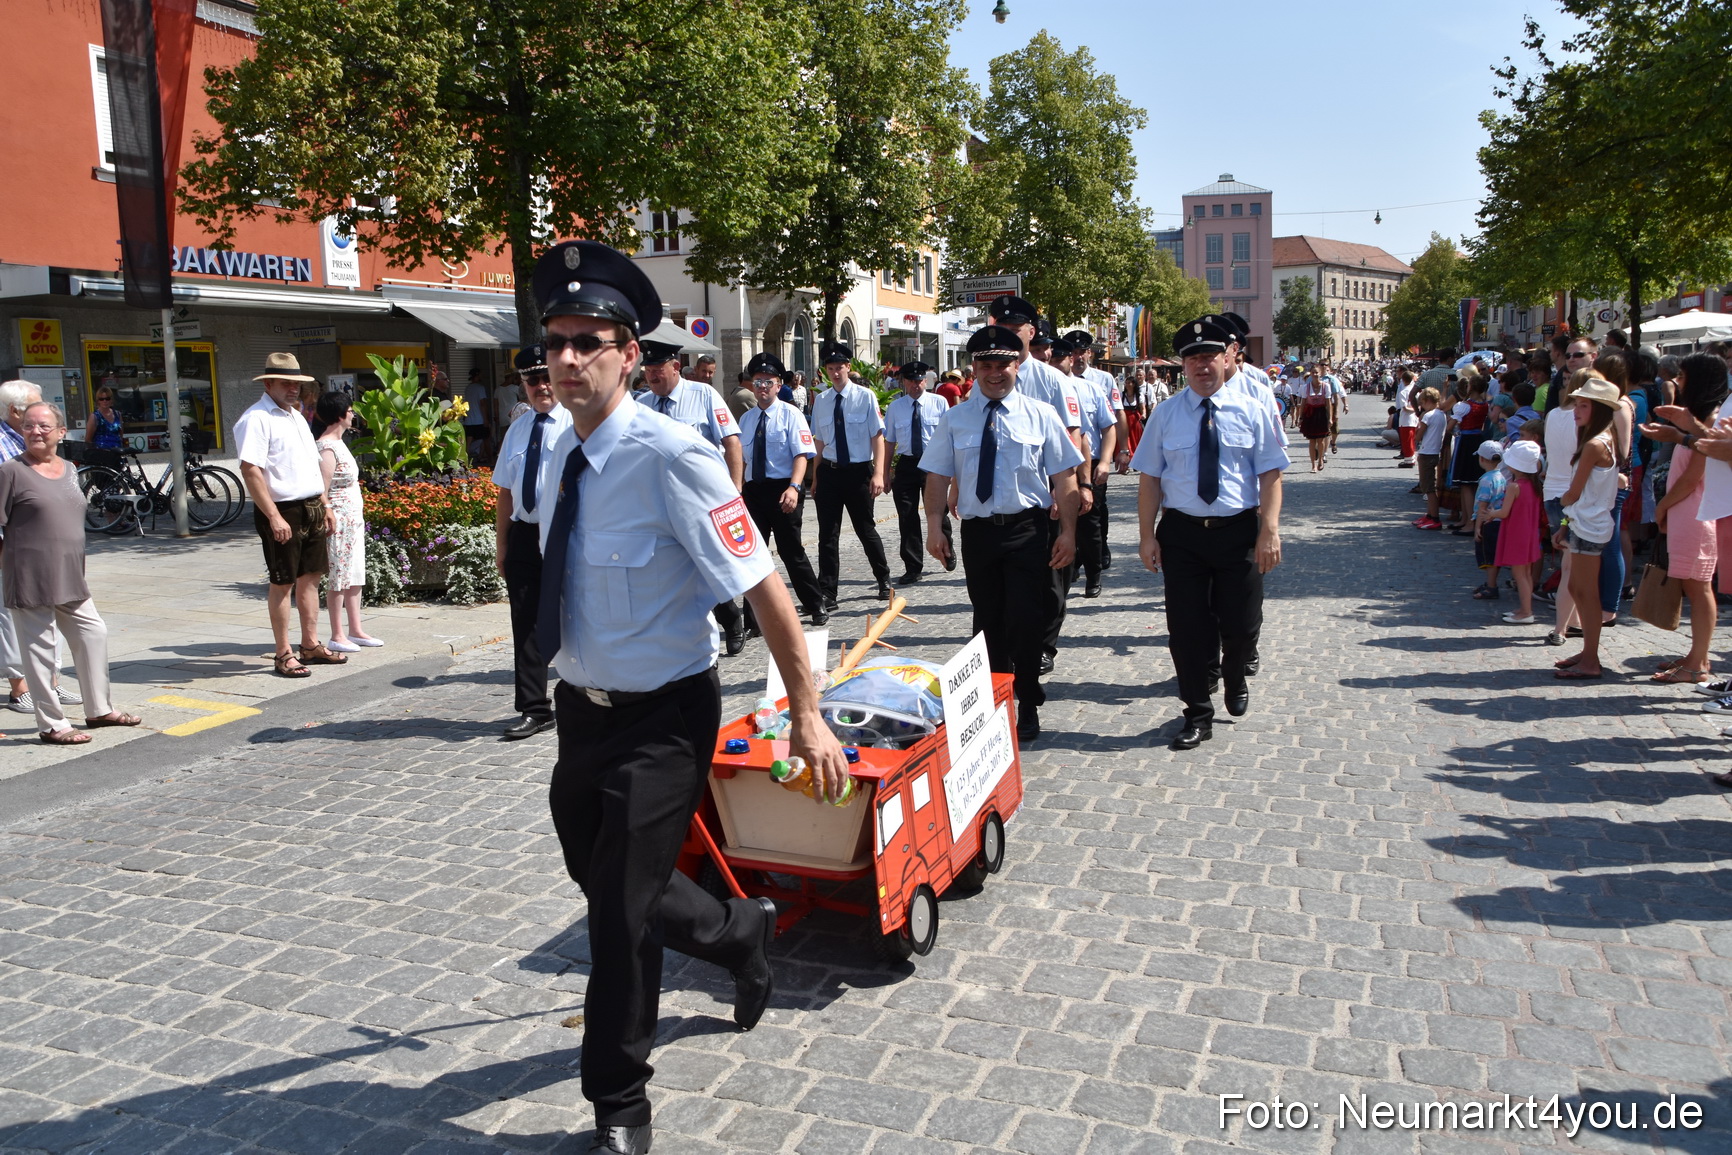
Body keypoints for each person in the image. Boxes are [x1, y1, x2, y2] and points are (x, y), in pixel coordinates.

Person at [526, 241, 847, 1155]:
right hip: (582, 712)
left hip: (665, 715)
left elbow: (763, 584)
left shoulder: (674, 455)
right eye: (555, 341)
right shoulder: (558, 448)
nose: (568, 358)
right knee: (603, 875)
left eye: (589, 341)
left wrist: (807, 709)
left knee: (618, 914)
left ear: (632, 352)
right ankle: (742, 930)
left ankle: (619, 1102)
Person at [917, 325, 1083, 743]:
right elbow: (937, 475)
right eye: (986, 365)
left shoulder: (1041, 414)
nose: (995, 373)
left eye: (1003, 364)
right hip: (978, 534)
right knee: (986, 621)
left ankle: (1028, 702)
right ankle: (995, 699)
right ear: (974, 367)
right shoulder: (955, 419)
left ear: (1017, 365)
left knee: (1027, 620)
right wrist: (934, 526)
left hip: (1027, 531)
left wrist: (1068, 532)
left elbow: (1064, 478)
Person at [1136, 316, 1289, 751]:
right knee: (1186, 629)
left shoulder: (1255, 409)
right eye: (1192, 359)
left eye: (1209, 357)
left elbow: (1271, 474)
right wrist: (1147, 536)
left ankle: (1235, 673)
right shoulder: (1165, 414)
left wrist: (1269, 531)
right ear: (1182, 366)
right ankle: (1197, 712)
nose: (1202, 366)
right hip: (1182, 534)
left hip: (1239, 531)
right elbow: (1150, 479)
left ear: (1227, 358)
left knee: (1240, 626)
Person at [0, 401, 141, 744]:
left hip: (70, 575)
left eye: (44, 426)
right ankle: (52, 724)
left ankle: (98, 710)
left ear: (61, 433)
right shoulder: (11, 471)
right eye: (29, 426)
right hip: (30, 576)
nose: (35, 431)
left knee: (92, 633)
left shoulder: (67, 468)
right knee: (40, 652)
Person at [233, 352, 344, 679]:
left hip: (310, 505)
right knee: (282, 581)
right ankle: (283, 654)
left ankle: (309, 645)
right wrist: (273, 516)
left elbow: (311, 465)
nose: (293, 389)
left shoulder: (295, 416)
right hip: (282, 509)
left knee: (310, 577)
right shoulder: (256, 419)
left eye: (297, 383)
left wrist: (324, 504)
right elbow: (251, 471)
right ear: (268, 383)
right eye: (286, 383)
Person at [636, 337, 747, 655]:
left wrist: (735, 491)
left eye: (658, 369)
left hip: (701, 499)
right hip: (658, 503)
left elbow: (732, 443)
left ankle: (731, 618)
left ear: (675, 366)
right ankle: (683, 634)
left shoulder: (704, 395)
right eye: (648, 370)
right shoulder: (642, 406)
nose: (653, 376)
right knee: (670, 569)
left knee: (708, 565)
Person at [491, 344, 569, 740]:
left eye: (545, 377)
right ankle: (535, 709)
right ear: (522, 384)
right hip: (524, 534)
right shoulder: (519, 428)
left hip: (565, 535)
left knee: (578, 616)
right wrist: (502, 545)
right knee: (525, 622)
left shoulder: (576, 423)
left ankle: (594, 693)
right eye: (532, 380)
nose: (541, 386)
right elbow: (504, 491)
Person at [1650, 354, 1731, 685]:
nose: (1678, 381)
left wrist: (1663, 506)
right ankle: (1697, 656)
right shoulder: (1700, 418)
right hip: (1689, 513)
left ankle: (1697, 664)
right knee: (1693, 585)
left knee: (1699, 588)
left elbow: (1693, 477)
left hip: (1696, 513)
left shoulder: (1711, 419)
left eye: (1683, 376)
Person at [738, 352, 827, 627]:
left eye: (768, 381)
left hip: (783, 489)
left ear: (778, 385)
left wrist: (795, 487)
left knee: (791, 552)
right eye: (757, 381)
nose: (762, 387)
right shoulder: (746, 420)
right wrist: (738, 490)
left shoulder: (791, 415)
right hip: (754, 491)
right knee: (753, 554)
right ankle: (753, 619)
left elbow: (802, 455)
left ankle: (815, 605)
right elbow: (741, 459)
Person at [1, 379, 71, 715]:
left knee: (49, 617)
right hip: (14, 552)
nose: (39, 417)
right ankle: (21, 687)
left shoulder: (37, 443)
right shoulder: (4, 445)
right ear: (15, 411)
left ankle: (52, 682)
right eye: (33, 406)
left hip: (48, 550)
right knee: (13, 620)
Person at [809, 340, 892, 607]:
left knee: (865, 529)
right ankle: (828, 592)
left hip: (858, 473)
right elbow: (819, 442)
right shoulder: (821, 400)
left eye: (840, 367)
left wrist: (878, 473)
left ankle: (883, 579)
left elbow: (877, 437)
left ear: (848, 367)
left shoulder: (864, 396)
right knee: (827, 535)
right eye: (830, 368)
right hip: (830, 472)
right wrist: (815, 476)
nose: (835, 373)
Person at [1551, 375, 1623, 679]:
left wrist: (1561, 506)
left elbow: (1574, 492)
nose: (1576, 410)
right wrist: (1566, 522)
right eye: (1577, 403)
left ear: (1599, 409)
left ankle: (1591, 660)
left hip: (1591, 525)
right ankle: (1587, 652)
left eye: (1583, 405)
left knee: (1586, 592)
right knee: (1577, 589)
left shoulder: (1595, 443)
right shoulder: (1598, 439)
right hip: (1585, 522)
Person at [312, 392, 381, 655]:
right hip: (338, 518)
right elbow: (322, 488)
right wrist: (329, 512)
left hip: (353, 518)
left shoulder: (340, 443)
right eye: (350, 410)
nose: (353, 415)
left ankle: (356, 629)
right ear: (341, 415)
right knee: (339, 574)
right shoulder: (327, 446)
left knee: (354, 573)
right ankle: (337, 634)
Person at [880, 361, 952, 586]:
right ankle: (913, 566)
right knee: (907, 514)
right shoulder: (895, 407)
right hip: (907, 465)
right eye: (911, 381)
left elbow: (949, 437)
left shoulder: (939, 402)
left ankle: (946, 551)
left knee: (939, 511)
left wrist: (952, 469)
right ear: (904, 382)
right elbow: (889, 442)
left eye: (920, 380)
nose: (916, 385)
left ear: (926, 381)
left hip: (934, 464)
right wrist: (884, 472)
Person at [1490, 440, 1543, 623]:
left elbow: (1504, 512)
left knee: (1519, 575)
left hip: (1516, 534)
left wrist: (1491, 513)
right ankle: (1524, 608)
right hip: (1528, 534)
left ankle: (1526, 612)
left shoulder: (1514, 487)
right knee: (1526, 574)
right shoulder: (1535, 486)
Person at [1471, 440, 1509, 601]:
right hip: (1498, 521)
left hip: (1488, 522)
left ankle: (1492, 586)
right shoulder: (1502, 477)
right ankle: (1490, 583)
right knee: (1494, 554)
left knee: (1488, 557)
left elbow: (1483, 505)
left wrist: (1477, 527)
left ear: (1482, 459)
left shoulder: (1486, 480)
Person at [1298, 365, 1332, 471]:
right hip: (1310, 414)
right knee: (1312, 441)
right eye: (1313, 372)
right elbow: (1303, 403)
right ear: (1311, 374)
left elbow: (1328, 403)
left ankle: (1321, 459)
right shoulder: (1305, 387)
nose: (1315, 374)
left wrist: (1330, 418)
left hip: (1321, 413)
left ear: (1320, 373)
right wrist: (1300, 417)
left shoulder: (1326, 386)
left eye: (1317, 372)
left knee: (1321, 440)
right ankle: (1313, 464)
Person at [84, 385, 126, 451]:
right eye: (101, 399)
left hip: (117, 452)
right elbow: (88, 440)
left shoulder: (118, 414)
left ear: (111, 400)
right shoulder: (94, 416)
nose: (105, 401)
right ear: (98, 401)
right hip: (101, 454)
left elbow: (120, 435)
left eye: (107, 398)